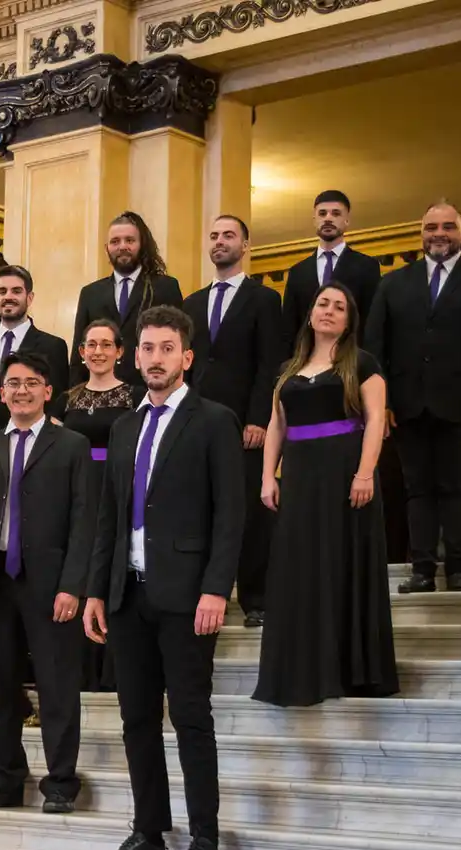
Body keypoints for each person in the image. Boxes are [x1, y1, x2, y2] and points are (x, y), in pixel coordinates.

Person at [83, 304, 244, 850]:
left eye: (166, 349)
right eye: (148, 348)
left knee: (191, 718)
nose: (156, 358)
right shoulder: (124, 427)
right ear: (136, 356)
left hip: (187, 596)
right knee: (136, 719)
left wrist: (217, 589)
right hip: (128, 594)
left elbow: (230, 513)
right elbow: (109, 516)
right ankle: (148, 835)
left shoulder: (214, 420)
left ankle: (205, 842)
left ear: (186, 357)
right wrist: (97, 590)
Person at [0, 351, 92, 814]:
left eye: (32, 383)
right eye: (13, 383)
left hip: (50, 584)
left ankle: (60, 783)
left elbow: (84, 522)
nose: (22, 391)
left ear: (48, 391)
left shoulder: (71, 445)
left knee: (56, 685)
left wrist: (73, 585)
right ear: (1, 393)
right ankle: (4, 781)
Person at [364, 200, 461, 593]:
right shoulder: (392, 284)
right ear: (421, 234)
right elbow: (374, 350)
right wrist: (382, 404)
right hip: (406, 407)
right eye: (431, 227)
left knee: (457, 486)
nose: (439, 234)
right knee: (417, 489)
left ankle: (459, 567)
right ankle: (421, 570)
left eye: (448, 227)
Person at [257, 283, 398, 707]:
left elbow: (375, 420)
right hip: (300, 477)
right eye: (323, 304)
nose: (329, 311)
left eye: (339, 307)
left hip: (344, 474)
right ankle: (302, 670)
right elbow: (276, 425)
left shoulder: (363, 363)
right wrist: (268, 477)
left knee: (340, 563)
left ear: (350, 320)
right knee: (300, 567)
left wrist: (365, 473)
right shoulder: (289, 369)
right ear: (310, 313)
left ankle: (347, 669)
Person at [182, 215, 286, 629]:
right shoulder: (191, 303)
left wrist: (258, 418)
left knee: (249, 514)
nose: (220, 241)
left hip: (246, 426)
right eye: (214, 235)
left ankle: (256, 599)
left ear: (245, 245)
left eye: (229, 235)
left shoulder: (264, 299)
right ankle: (208, 594)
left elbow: (270, 364)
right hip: (198, 424)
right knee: (199, 511)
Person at [63, 319, 144, 692]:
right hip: (77, 491)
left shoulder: (135, 396)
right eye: (91, 345)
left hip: (119, 487)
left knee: (112, 567)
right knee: (80, 568)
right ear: (81, 352)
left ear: (120, 352)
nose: (98, 351)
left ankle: (115, 668)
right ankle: (83, 670)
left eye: (106, 344)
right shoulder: (67, 399)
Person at [71, 212, 184, 387]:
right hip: (101, 392)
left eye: (129, 240)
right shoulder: (90, 293)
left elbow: (180, 343)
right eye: (115, 241)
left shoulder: (165, 287)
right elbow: (78, 355)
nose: (122, 246)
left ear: (141, 244)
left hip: (151, 389)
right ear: (106, 248)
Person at [0, 265, 71, 426]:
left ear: (30, 298)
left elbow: (58, 403)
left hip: (35, 437)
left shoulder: (53, 347)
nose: (8, 297)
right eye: (2, 291)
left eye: (16, 291)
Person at [281, 191, 382, 346]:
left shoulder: (367, 266)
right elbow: (289, 328)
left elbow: (371, 322)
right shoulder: (298, 272)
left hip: (351, 354)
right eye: (322, 213)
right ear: (314, 220)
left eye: (336, 213)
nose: (328, 218)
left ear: (347, 220)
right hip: (307, 356)